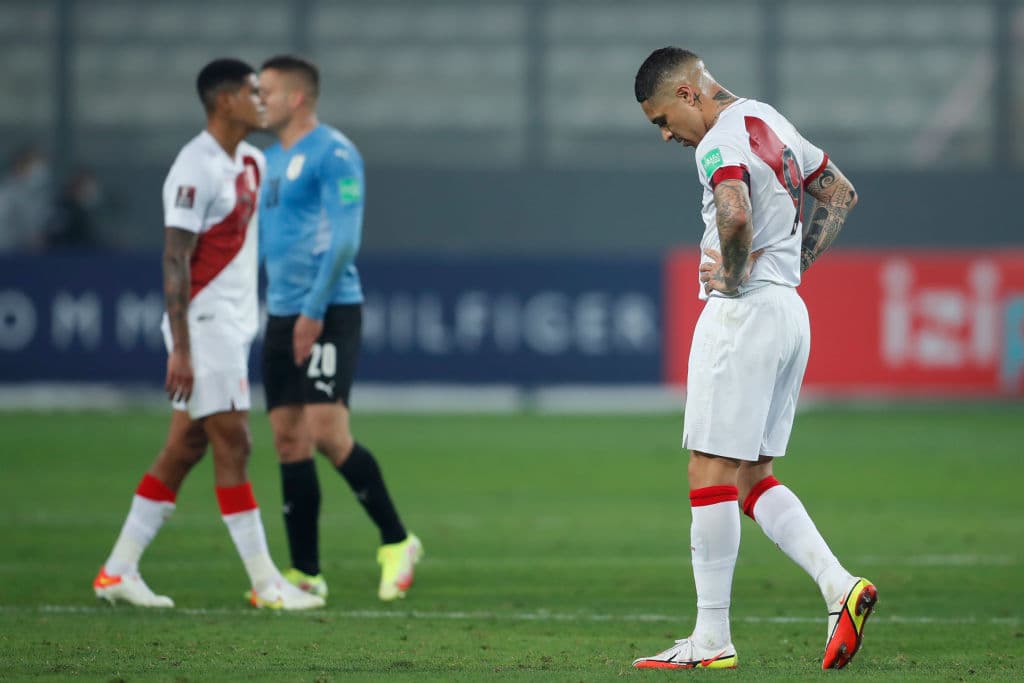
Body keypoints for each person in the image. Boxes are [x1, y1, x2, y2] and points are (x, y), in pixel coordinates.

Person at [630, 47, 875, 670]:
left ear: (687, 94)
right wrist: (781, 269)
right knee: (749, 477)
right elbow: (839, 193)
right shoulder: (769, 118)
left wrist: (736, 279)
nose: (665, 136)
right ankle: (837, 585)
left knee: (708, 472)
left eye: (662, 119)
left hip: (744, 318)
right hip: (789, 312)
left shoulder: (718, 142)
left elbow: (734, 214)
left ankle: (710, 641)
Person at [92, 58, 323, 611]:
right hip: (204, 325)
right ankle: (267, 582)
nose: (261, 100)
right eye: (252, 92)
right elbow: (176, 257)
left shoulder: (249, 161)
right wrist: (183, 348)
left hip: (235, 325)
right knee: (235, 442)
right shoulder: (193, 167)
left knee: (186, 446)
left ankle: (118, 570)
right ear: (224, 101)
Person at [257, 55, 422, 602]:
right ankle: (305, 573)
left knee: (326, 431)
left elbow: (346, 239)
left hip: (327, 309)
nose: (260, 100)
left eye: (269, 91)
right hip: (280, 312)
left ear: (298, 98)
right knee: (286, 439)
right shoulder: (268, 158)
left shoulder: (334, 152)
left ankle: (397, 541)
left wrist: (312, 309)